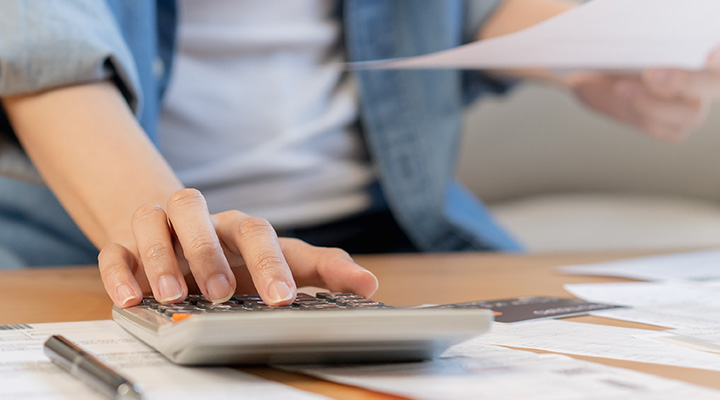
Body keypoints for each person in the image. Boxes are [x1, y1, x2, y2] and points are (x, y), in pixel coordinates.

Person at [0, 0, 718, 308]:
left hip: (397, 245)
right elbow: (41, 49)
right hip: (95, 253)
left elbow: (462, 13)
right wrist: (172, 237)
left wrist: (616, 40)